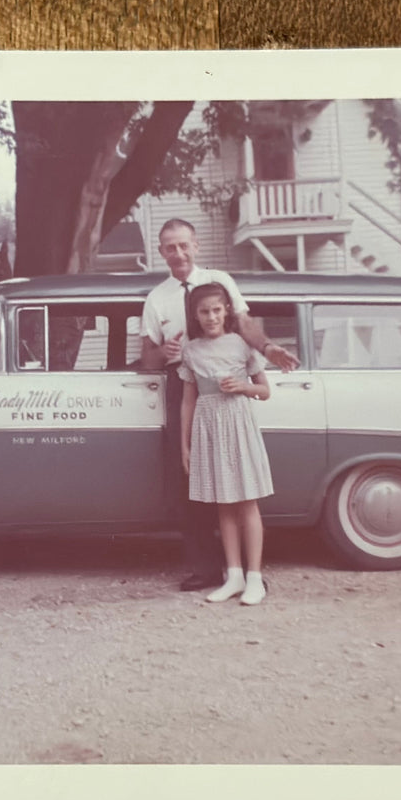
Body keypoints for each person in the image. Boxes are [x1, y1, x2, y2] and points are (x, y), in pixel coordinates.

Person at [140, 218, 299, 591]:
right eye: (169, 247)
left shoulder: (221, 282)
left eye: (183, 245)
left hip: (232, 388)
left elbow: (245, 326)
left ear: (195, 246)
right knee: (191, 477)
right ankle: (209, 567)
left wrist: (270, 349)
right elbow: (146, 358)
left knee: (240, 487)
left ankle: (247, 572)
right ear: (162, 252)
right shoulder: (157, 297)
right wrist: (165, 352)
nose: (177, 253)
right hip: (187, 384)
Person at [179, 284, 274, 604]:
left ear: (226, 312)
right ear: (195, 315)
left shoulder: (240, 345)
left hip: (237, 422)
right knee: (223, 503)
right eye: (204, 311)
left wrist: (243, 387)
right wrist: (185, 444)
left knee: (246, 500)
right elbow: (188, 401)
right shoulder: (190, 350)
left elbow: (265, 391)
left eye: (216, 310)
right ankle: (233, 575)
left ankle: (254, 578)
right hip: (208, 425)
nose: (211, 317)